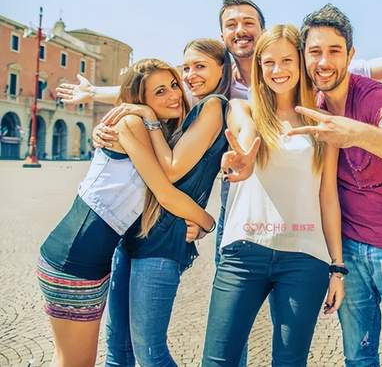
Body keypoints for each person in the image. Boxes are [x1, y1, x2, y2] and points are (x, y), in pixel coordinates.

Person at [37, 58, 214, 367]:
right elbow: (165, 194)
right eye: (160, 91)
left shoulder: (154, 129)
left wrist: (145, 112)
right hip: (73, 259)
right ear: (139, 99)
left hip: (87, 259)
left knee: (70, 359)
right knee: (74, 362)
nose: (174, 94)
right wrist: (207, 222)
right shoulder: (132, 124)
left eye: (174, 85)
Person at [289, 4, 382, 366]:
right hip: (350, 252)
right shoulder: (308, 103)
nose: (324, 62)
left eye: (334, 51)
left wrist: (354, 133)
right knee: (358, 358)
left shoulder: (372, 96)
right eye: (315, 51)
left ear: (351, 55)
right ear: (304, 56)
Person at [201, 24, 344, 366]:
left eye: (286, 60)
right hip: (243, 253)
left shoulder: (324, 123)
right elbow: (243, 139)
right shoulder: (243, 109)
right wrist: (238, 163)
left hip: (304, 258)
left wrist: (337, 268)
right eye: (268, 62)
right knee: (217, 361)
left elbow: (328, 195)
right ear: (259, 67)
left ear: (300, 62)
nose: (278, 70)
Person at [96, 39, 230, 366]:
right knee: (117, 349)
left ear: (222, 69)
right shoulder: (184, 115)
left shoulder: (214, 105)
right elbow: (139, 94)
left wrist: (148, 117)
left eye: (200, 66)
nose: (188, 77)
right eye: (186, 68)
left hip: (163, 240)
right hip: (132, 235)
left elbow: (170, 170)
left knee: (149, 353)